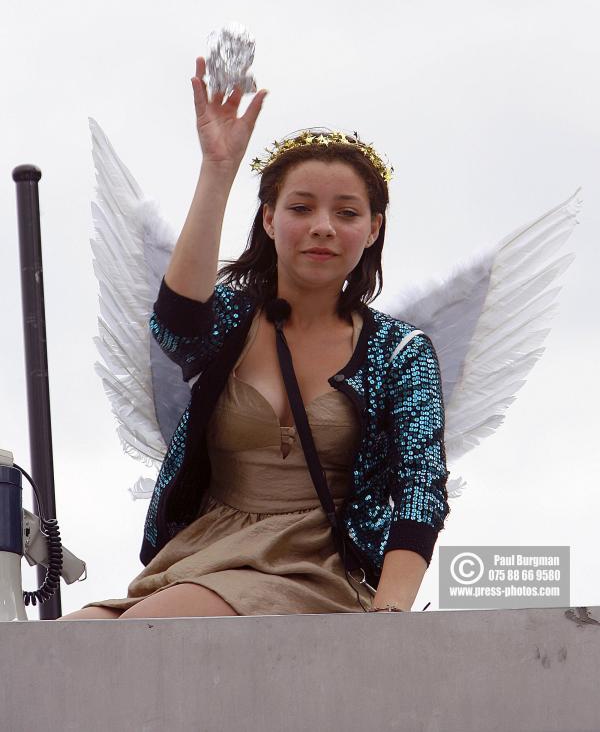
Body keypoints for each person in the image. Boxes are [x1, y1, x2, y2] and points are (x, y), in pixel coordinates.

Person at [59, 56, 450, 621]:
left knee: (145, 631)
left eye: (346, 212)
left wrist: (389, 619)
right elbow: (176, 324)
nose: (322, 226)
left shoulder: (399, 352)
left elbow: (420, 488)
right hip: (195, 560)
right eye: (300, 207)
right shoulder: (233, 323)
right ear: (269, 220)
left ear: (373, 228)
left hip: (316, 570)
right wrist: (217, 170)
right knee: (61, 642)